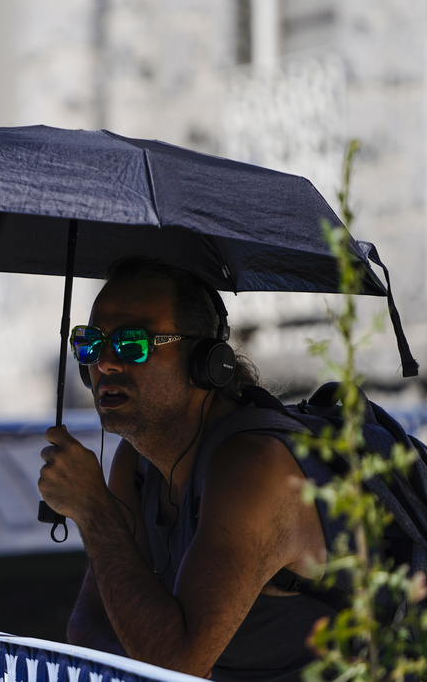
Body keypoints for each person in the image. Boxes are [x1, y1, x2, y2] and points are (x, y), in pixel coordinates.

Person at [37, 258, 336, 681]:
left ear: (204, 361)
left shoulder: (252, 467)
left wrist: (94, 511)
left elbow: (176, 668)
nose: (104, 363)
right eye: (90, 343)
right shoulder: (137, 461)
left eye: (131, 343)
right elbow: (87, 627)